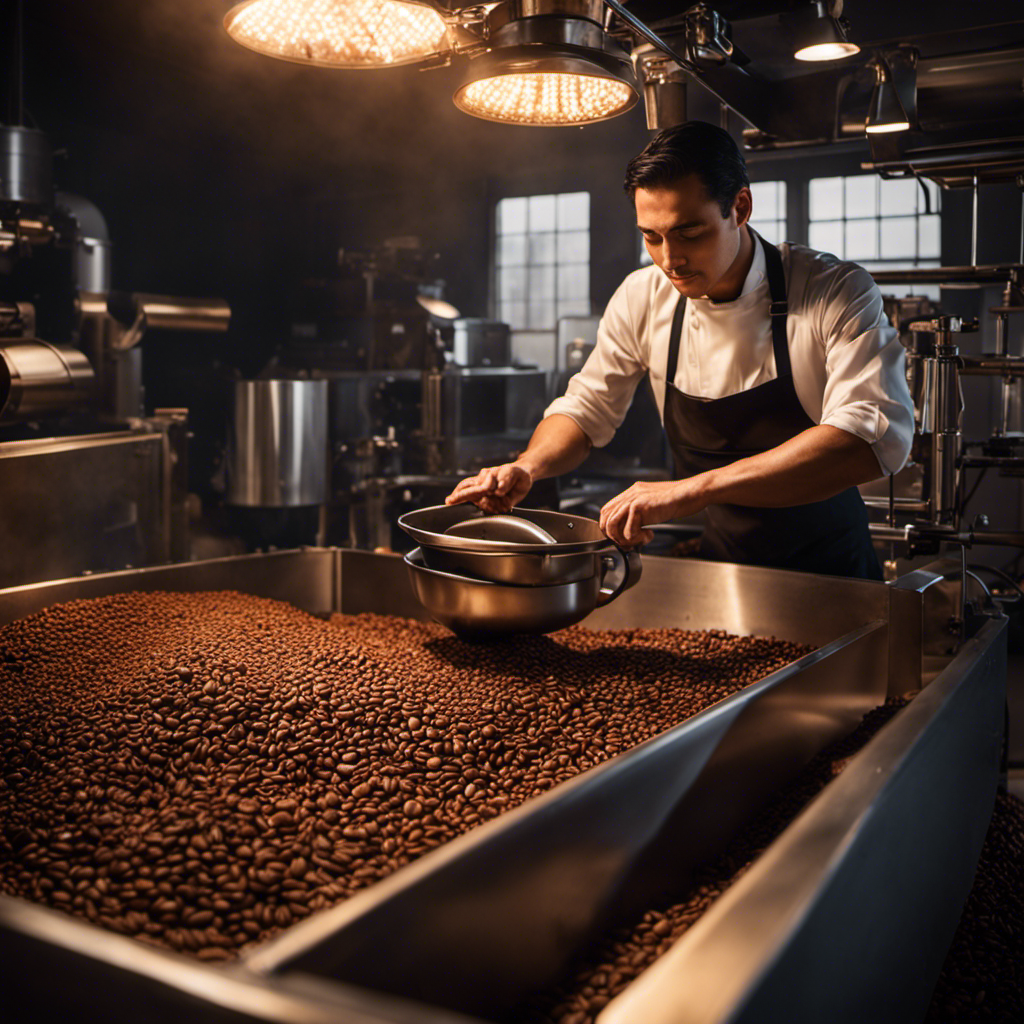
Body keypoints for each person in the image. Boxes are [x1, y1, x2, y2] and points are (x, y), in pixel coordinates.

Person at [445, 121, 915, 580]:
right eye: (651, 237)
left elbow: (865, 436)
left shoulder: (833, 289)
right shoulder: (642, 296)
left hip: (834, 574)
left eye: (690, 232)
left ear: (740, 207)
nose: (670, 259)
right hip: (725, 574)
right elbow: (586, 411)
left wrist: (693, 489)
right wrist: (529, 466)